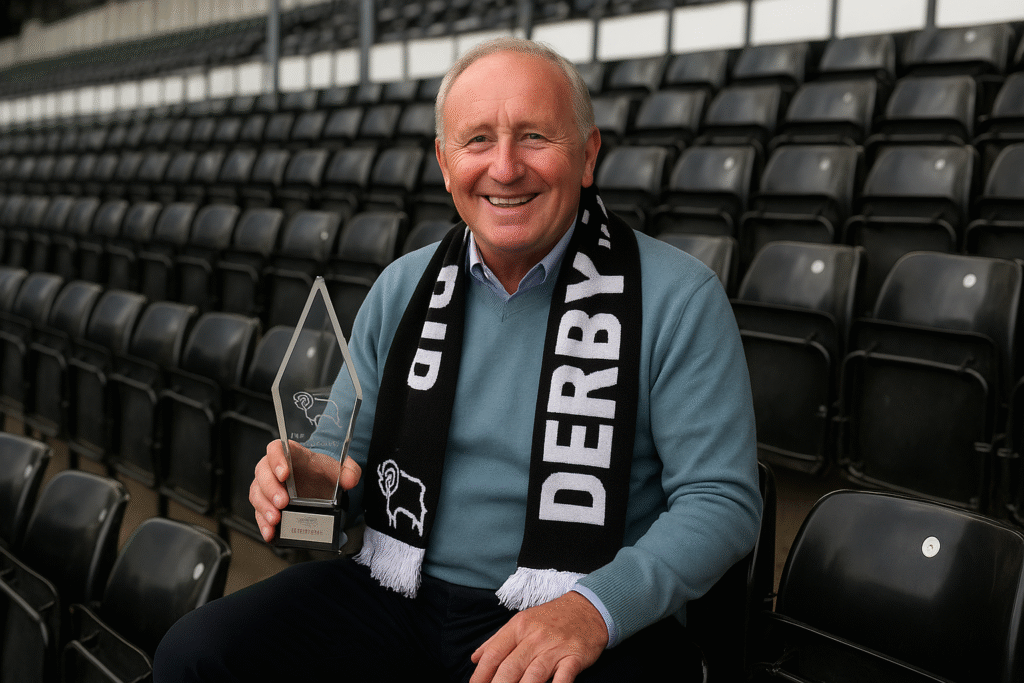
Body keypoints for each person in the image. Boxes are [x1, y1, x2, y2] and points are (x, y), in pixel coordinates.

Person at [154, 37, 761, 683]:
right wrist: (301, 487)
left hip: (574, 603)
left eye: (534, 136)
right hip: (398, 593)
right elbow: (339, 468)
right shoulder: (403, 286)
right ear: (445, 164)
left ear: (587, 156)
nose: (504, 167)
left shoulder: (676, 294)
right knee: (197, 654)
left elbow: (720, 499)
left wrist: (593, 609)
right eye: (476, 141)